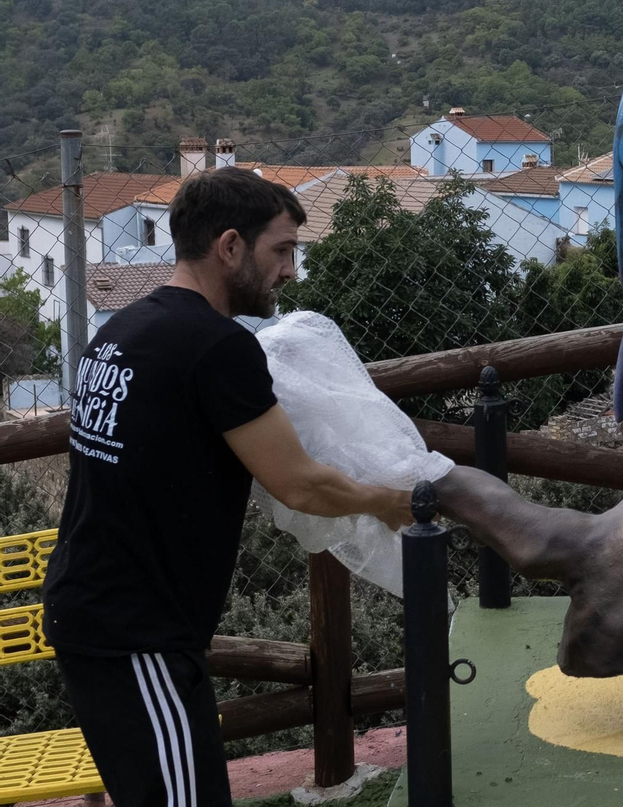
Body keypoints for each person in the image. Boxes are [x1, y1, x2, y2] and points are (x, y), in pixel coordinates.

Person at [43, 166, 414, 804]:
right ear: (231, 246)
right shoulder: (216, 348)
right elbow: (300, 485)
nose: (291, 271)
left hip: (101, 613)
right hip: (137, 635)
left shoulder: (122, 332)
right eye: (283, 250)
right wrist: (394, 503)